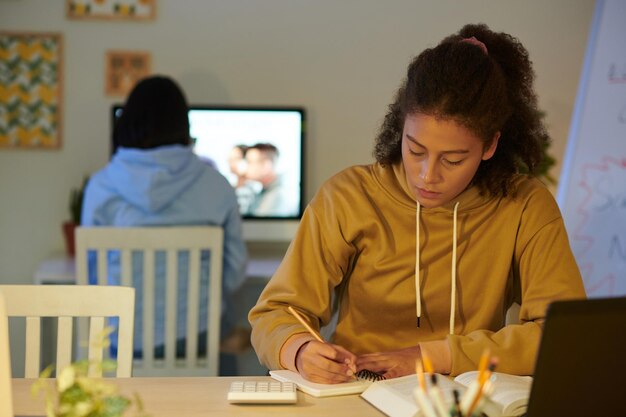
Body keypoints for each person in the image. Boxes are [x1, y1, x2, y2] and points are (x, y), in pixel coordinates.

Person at [248, 23, 586, 384]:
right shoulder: (349, 196)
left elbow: (563, 335)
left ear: (490, 146)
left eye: (453, 160)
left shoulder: (524, 206)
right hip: (357, 394)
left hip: (463, 397)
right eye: (415, 150)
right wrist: (299, 350)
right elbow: (275, 313)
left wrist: (433, 356)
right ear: (401, 128)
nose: (427, 175)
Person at [81, 75, 247, 373]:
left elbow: (93, 275)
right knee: (226, 333)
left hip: (121, 342)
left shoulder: (100, 186)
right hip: (196, 338)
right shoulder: (216, 184)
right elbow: (234, 272)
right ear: (183, 125)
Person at [244, 142, 300, 217]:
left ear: (267, 165)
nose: (245, 167)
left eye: (250, 162)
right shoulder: (263, 192)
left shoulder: (278, 196)